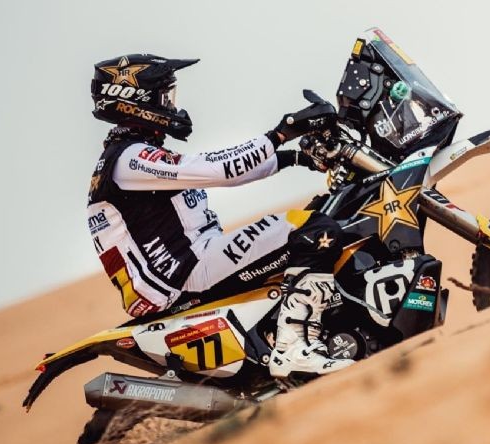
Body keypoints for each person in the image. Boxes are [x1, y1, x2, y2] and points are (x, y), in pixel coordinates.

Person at [87, 53, 353, 377]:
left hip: (194, 264)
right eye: (165, 96)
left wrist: (297, 157)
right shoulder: (129, 158)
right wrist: (283, 132)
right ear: (136, 101)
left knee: (322, 213)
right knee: (315, 230)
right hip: (187, 275)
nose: (172, 105)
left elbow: (224, 172)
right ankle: (294, 348)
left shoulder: (131, 156)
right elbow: (219, 169)